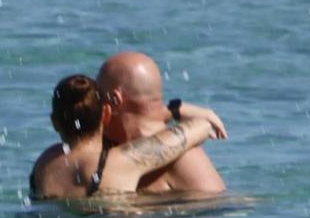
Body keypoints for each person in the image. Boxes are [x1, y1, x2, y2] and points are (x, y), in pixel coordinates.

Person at [29, 74, 227, 202]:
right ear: (106, 114)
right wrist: (179, 111)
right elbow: (192, 130)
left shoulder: (45, 163)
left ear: (54, 122)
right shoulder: (121, 161)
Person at [97, 50, 227, 195]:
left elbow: (216, 211)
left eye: (97, 97)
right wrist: (174, 111)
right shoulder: (115, 147)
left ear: (115, 100)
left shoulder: (183, 160)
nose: (95, 106)